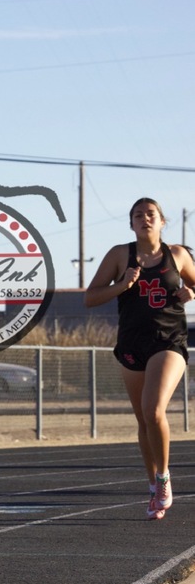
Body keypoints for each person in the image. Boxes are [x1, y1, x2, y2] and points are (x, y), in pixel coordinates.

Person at [85, 197, 195, 520]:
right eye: (138, 215)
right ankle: (152, 486)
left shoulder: (178, 255)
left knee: (154, 410)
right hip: (132, 342)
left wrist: (192, 292)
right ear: (131, 223)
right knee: (143, 421)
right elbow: (90, 297)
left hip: (169, 340)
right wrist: (122, 285)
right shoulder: (120, 255)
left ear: (162, 221)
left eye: (150, 214)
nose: (144, 219)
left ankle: (163, 478)